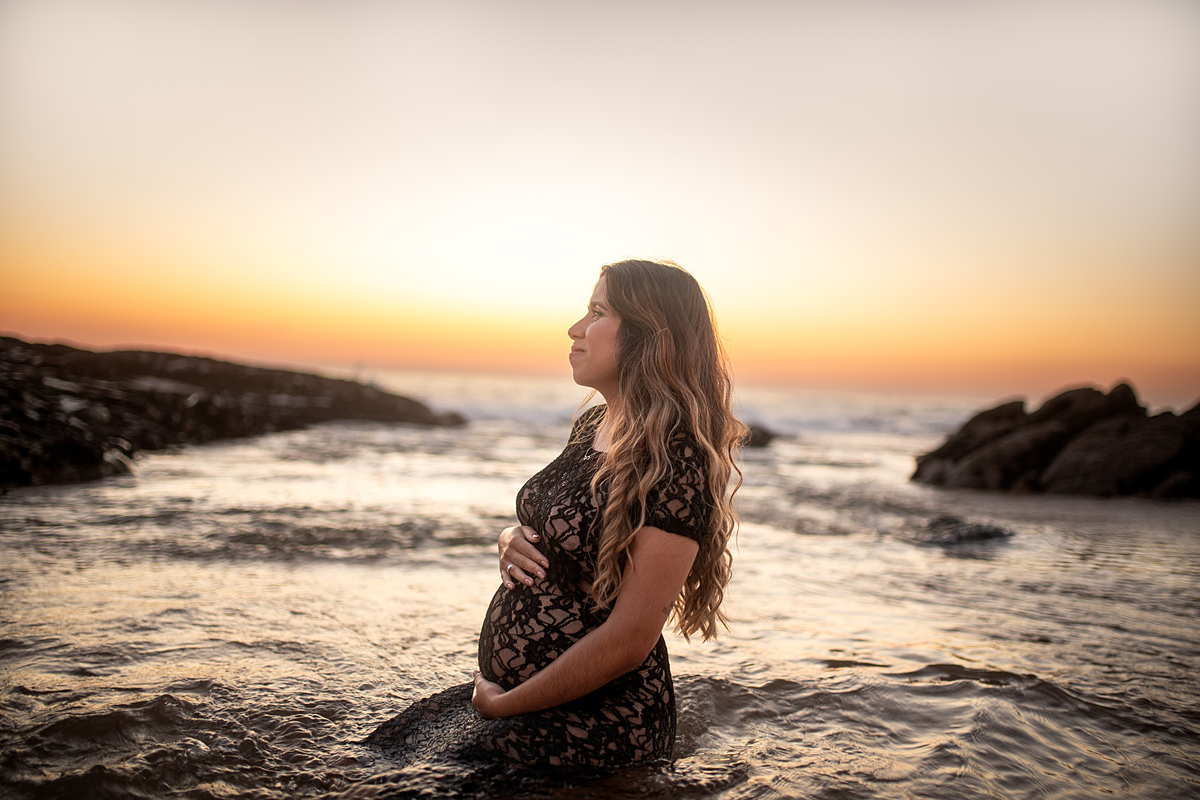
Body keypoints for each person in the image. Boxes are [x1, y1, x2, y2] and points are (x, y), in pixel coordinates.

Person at [365, 259, 745, 770]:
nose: (575, 328)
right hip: (524, 697)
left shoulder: (676, 459)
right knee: (369, 759)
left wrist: (504, 706)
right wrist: (509, 538)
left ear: (648, 334)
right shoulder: (594, 423)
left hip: (598, 717)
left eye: (596, 311)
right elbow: (564, 523)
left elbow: (630, 640)